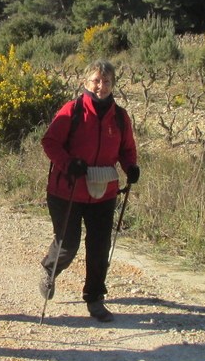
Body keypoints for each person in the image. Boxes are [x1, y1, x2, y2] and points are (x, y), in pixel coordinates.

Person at [40, 60, 139, 323]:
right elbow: (49, 142)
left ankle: (95, 299)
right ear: (86, 82)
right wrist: (68, 163)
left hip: (103, 191)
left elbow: (126, 150)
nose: (101, 85)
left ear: (113, 84)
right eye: (96, 80)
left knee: (99, 247)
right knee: (68, 245)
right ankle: (50, 269)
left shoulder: (120, 117)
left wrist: (131, 167)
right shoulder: (72, 111)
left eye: (106, 81)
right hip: (66, 190)